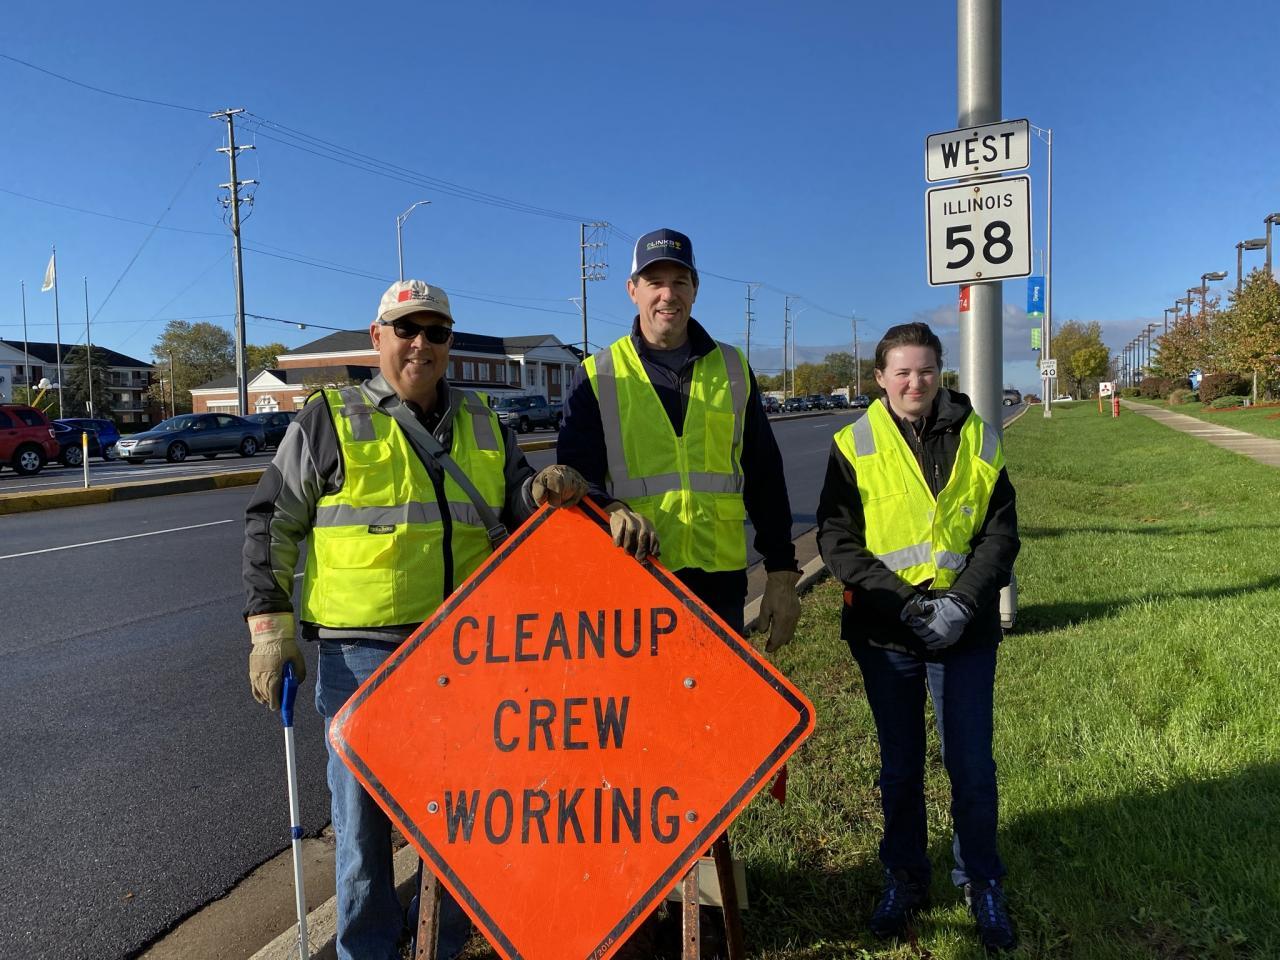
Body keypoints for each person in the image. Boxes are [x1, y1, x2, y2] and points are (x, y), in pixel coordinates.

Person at [242, 279, 591, 960]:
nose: (420, 344)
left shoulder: (485, 422)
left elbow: (517, 504)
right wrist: (269, 630)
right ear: (378, 338)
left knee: (464, 813)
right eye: (406, 329)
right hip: (361, 656)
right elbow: (272, 521)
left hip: (469, 649)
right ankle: (368, 948)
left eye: (436, 332)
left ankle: (443, 941)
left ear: (449, 344)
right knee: (362, 822)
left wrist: (543, 491)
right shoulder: (329, 418)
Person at [816, 322, 1020, 952]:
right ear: (880, 377)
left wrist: (961, 602)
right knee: (900, 767)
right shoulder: (853, 443)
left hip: (965, 628)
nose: (915, 381)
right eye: (902, 371)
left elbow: (1000, 535)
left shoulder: (979, 436)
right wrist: (906, 604)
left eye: (926, 369)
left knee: (972, 766)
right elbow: (836, 539)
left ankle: (981, 880)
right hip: (887, 633)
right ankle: (905, 879)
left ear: (941, 373)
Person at [557, 226, 801, 645]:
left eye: (680, 282)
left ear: (695, 289)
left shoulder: (732, 367)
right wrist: (608, 506)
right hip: (634, 576)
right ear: (632, 290)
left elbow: (764, 476)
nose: (668, 295)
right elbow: (577, 478)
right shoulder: (598, 374)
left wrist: (781, 572)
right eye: (654, 282)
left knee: (716, 689)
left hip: (719, 584)